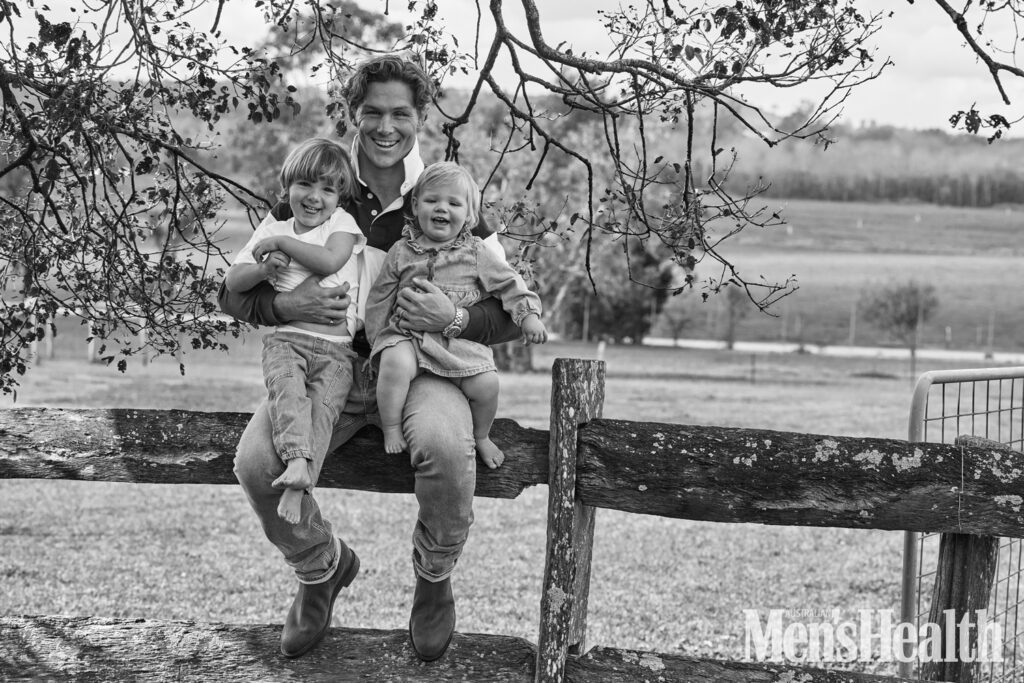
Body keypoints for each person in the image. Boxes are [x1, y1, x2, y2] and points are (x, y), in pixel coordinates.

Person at [221, 54, 521, 662]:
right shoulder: (316, 185)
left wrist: (455, 319)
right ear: (353, 115)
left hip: (421, 363)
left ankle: (434, 579)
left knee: (442, 444)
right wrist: (288, 307)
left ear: (420, 118)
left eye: (401, 114)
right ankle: (320, 569)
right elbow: (232, 294)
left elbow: (512, 311)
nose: (387, 127)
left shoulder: (444, 194)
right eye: (373, 113)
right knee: (258, 463)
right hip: (321, 362)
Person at [366, 161, 547, 469]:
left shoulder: (476, 251)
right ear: (415, 205)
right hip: (410, 338)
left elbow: (508, 283)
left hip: (458, 347)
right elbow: (380, 297)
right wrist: (379, 341)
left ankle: (481, 435)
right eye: (432, 200)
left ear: (469, 214)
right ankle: (392, 427)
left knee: (488, 385)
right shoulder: (401, 251)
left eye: (453, 203)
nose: (442, 208)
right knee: (394, 363)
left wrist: (528, 315)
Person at [225, 137, 365, 525]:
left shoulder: (341, 225)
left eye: (328, 189)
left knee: (322, 410)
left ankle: (300, 481)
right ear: (287, 188)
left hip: (337, 350)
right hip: (287, 343)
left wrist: (284, 244)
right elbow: (234, 282)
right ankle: (298, 465)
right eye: (305, 184)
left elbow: (329, 260)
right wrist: (264, 269)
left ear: (340, 197)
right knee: (289, 399)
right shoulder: (274, 226)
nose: (314, 197)